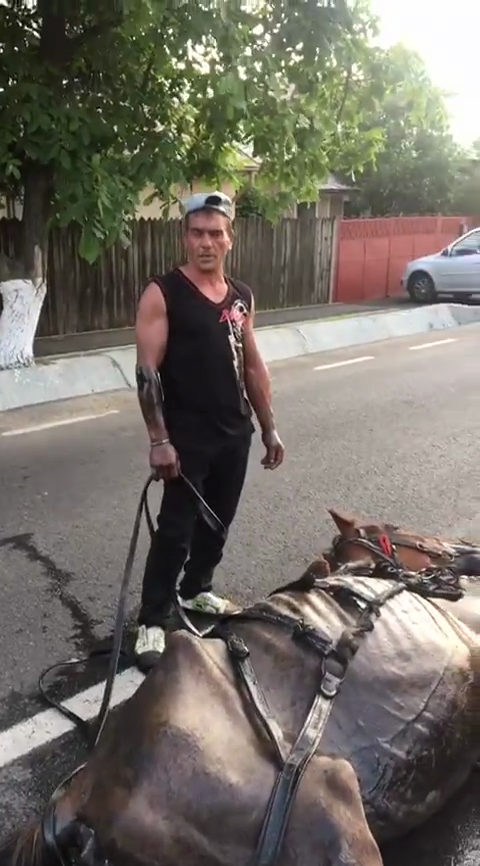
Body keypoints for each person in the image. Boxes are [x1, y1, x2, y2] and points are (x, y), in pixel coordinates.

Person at [133, 191, 285, 671]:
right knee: (175, 529)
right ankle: (152, 619)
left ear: (229, 239)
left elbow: (253, 365)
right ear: (185, 238)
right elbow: (147, 373)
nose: (206, 242)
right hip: (187, 438)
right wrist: (160, 440)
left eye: (215, 233)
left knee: (218, 521)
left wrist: (269, 428)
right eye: (197, 233)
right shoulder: (164, 293)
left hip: (234, 431)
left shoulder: (241, 296)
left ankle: (197, 588)